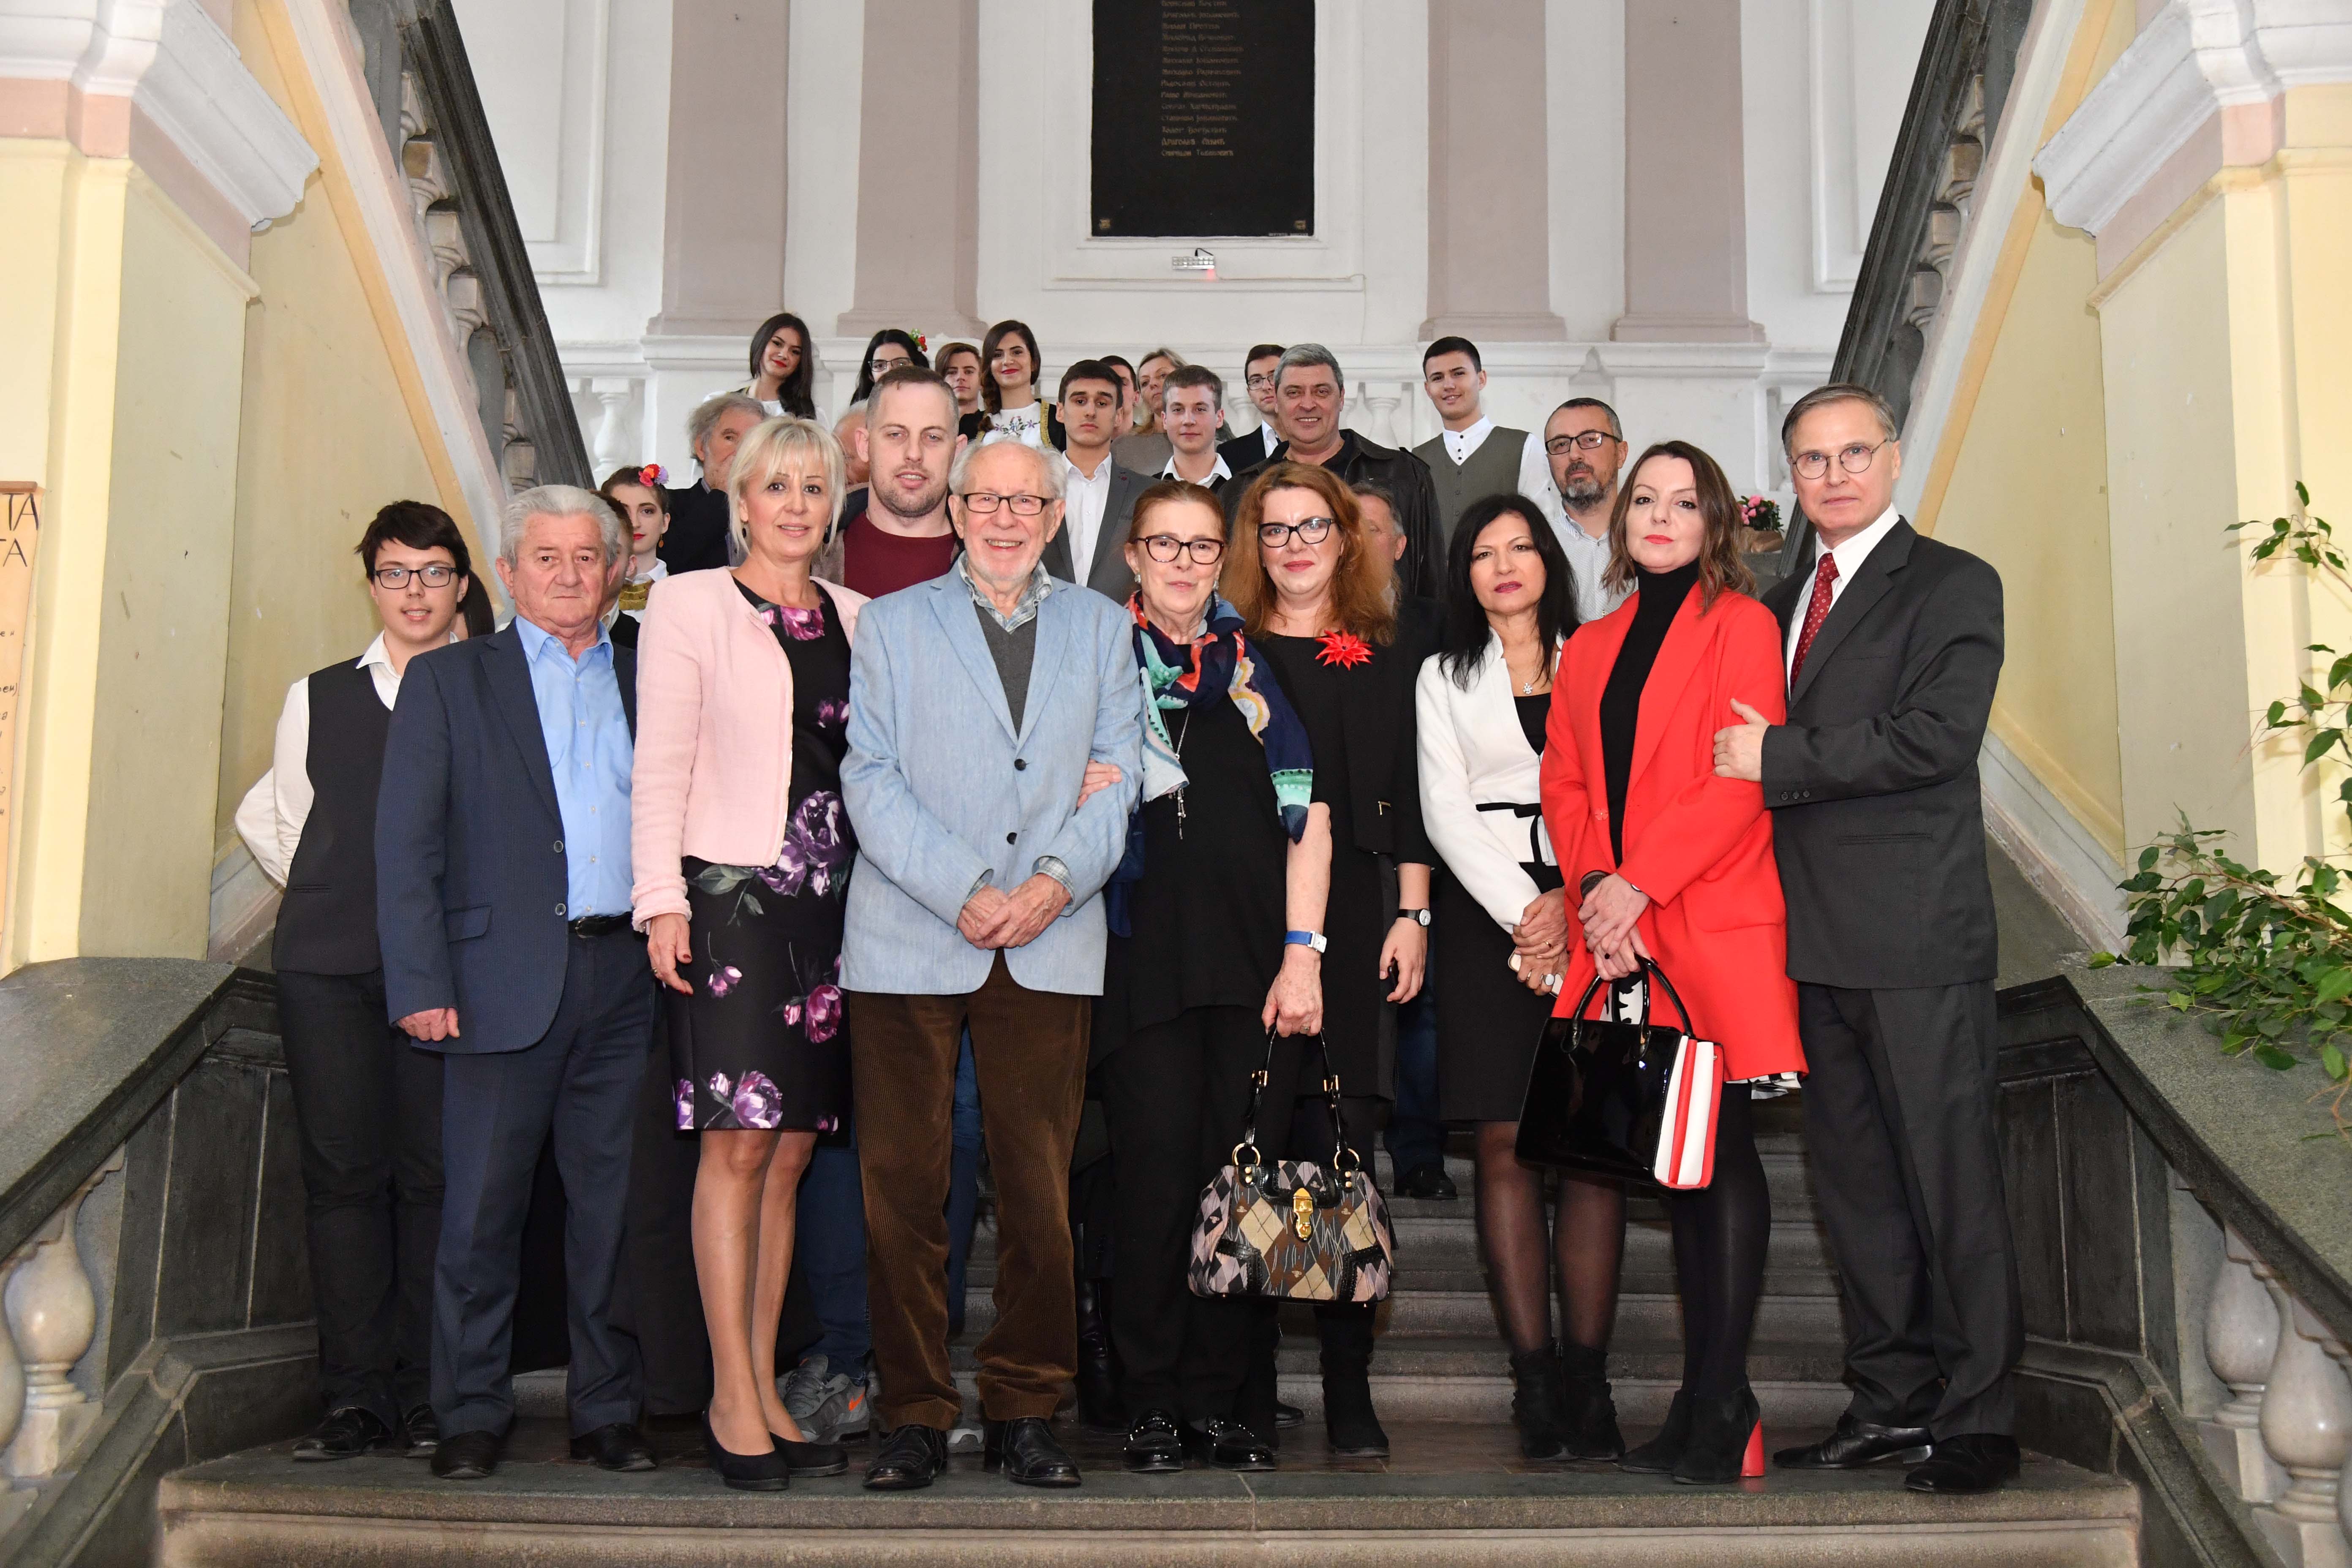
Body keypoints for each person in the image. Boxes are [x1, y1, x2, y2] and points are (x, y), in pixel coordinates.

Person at [1713, 384, 2017, 1496]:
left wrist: (1783, 757)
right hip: (1808, 945)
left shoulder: (1951, 582)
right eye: (1813, 459)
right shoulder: (1778, 601)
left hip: (1917, 936)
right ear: (1790, 476)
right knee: (1857, 1194)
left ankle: (1980, 1418)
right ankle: (1890, 1402)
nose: (1834, 475)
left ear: (1893, 458)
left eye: (1854, 453)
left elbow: (1936, 737)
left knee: (1952, 1185)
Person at [840, 438, 1142, 1492]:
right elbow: (869, 777)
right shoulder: (890, 624)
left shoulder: (1103, 627)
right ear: (956, 510)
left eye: (1028, 502)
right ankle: (913, 1411)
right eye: (988, 499)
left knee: (1038, 1193)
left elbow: (1118, 776)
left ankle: (1026, 1406)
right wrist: (963, 887)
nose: (1006, 518)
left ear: (1055, 518)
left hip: (1052, 935)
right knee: (901, 1192)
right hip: (909, 932)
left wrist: (1052, 884)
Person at [376, 485, 654, 1483]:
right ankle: (468, 1410)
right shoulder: (450, 681)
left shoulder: (652, 671)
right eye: (547, 557)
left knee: (613, 1211)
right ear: (505, 572)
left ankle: (608, 1407)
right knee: (481, 1212)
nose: (570, 575)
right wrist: (420, 979)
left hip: (630, 978)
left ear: (614, 569)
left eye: (587, 556)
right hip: (496, 979)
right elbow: (406, 844)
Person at [1541, 440, 1806, 1485]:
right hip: (1618, 934)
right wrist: (1596, 891)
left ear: (1714, 523)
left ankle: (1723, 1400)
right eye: (1644, 500)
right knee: (1677, 1168)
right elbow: (1565, 781)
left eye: (1682, 502)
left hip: (1708, 918)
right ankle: (1705, 1405)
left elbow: (1739, 777)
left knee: (1719, 1157)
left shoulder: (1743, 625)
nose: (1659, 516)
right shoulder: (1589, 644)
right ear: (1622, 522)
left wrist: (1639, 887)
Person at [631, 416, 867, 1490]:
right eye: (776, 485)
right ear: (740, 498)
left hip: (836, 912)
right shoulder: (689, 603)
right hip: (731, 903)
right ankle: (730, 1394)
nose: (795, 505)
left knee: (792, 1154)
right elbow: (660, 764)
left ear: (834, 505)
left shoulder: (861, 618)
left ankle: (765, 1384)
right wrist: (659, 900)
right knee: (735, 1148)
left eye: (813, 487)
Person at [1097, 480, 1330, 1473]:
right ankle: (1150, 1399)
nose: (1185, 562)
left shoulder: (1255, 670)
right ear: (1133, 556)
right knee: (1152, 1189)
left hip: (1256, 973)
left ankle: (1221, 1400)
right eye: (1166, 544)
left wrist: (1303, 954)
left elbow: (1310, 820)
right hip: (1139, 970)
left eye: (1202, 545)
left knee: (1243, 1193)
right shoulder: (1099, 663)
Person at [233, 502, 472, 1464]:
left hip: (446, 975)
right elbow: (278, 814)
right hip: (327, 969)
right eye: (395, 572)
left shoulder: (490, 690)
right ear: (371, 583)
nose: (414, 590)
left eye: (433, 571)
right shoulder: (319, 694)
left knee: (432, 1178)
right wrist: (334, 884)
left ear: (462, 583)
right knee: (341, 1181)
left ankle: (426, 1393)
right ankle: (355, 1396)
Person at [1223, 462, 1437, 1459]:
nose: (1295, 545)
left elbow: (1408, 792)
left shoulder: (1382, 657)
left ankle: (1349, 1386)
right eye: (1275, 529)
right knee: (1252, 1149)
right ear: (1253, 544)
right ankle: (1252, 1389)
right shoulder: (1227, 655)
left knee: (1338, 1148)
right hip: (1243, 922)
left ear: (1346, 538)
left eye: (1313, 526)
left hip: (1354, 922)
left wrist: (1413, 913)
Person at [1416, 493, 1630, 1462]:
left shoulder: (1600, 656)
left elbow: (1627, 789)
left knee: (1589, 1150)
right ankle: (1533, 1380)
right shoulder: (1442, 675)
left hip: (1599, 907)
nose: (1503, 566)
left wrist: (1573, 903)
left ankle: (1591, 1380)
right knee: (1504, 1141)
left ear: (1549, 560)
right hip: (1486, 915)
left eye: (1520, 547)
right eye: (1483, 553)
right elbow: (1445, 809)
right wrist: (1527, 911)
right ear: (1463, 574)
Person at [1353, 480, 1448, 1202]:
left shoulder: (1436, 625)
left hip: (1428, 839)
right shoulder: (1308, 622)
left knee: (1421, 1008)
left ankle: (1419, 1152)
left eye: (1372, 528)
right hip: (1347, 845)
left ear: (1400, 545)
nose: (1358, 541)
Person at [1229, 345, 1443, 600]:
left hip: (1387, 625)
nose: (1307, 404)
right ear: (1276, 401)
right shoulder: (1242, 489)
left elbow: (1431, 582)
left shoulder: (1403, 474)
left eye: (1321, 392)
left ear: (1341, 398)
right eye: (1294, 393)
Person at [817, 365, 968, 597]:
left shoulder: (989, 562)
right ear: (864, 445)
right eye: (896, 434)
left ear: (956, 452)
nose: (914, 454)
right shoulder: (813, 555)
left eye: (933, 437)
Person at [1412, 337, 1563, 547]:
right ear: (1428, 389)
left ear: (1481, 379)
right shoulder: (1415, 459)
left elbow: (1543, 529)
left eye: (1458, 374)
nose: (1449, 385)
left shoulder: (1523, 447)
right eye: (1438, 378)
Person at [1040, 359, 1152, 602]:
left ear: (1118, 416)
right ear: (1060, 411)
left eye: (1102, 403)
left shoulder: (1148, 494)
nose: (1091, 412)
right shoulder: (1031, 488)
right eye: (1080, 401)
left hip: (1124, 621)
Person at [1544, 398, 1633, 624]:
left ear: (1621, 453)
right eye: (1560, 445)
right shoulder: (1536, 544)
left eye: (1590, 440)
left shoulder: (1654, 536)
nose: (1574, 455)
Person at [666, 394, 767, 575]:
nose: (741, 451)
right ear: (701, 448)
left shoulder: (773, 510)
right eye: (730, 438)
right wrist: (722, 492)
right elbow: (669, 563)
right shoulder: (669, 504)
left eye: (752, 441)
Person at [959, 318, 1065, 450]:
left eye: (1017, 352)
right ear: (989, 367)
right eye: (998, 355)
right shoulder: (970, 425)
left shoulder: (1058, 420)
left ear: (1034, 362)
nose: (1007, 361)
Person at [599, 465, 669, 650]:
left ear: (665, 522)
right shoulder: (583, 591)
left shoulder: (686, 596)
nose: (635, 523)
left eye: (647, 511)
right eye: (622, 512)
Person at [1160, 365, 1231, 495]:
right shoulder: (1147, 491)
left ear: (1219, 418)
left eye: (1200, 409)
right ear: (1165, 420)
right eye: (1178, 410)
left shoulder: (1248, 489)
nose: (1188, 420)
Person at [1111, 347, 1183, 471]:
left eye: (1163, 375)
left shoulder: (1208, 442)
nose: (1153, 384)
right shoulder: (1123, 447)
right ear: (1141, 397)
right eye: (1145, 383)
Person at [1217, 343, 1286, 473]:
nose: (1266, 387)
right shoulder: (1231, 453)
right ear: (1249, 393)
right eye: (1256, 381)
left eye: (1274, 377)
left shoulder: (1317, 440)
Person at [738, 311, 818, 419]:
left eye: (795, 352)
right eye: (777, 344)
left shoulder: (810, 416)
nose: (784, 355)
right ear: (761, 342)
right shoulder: (722, 403)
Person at [847, 328, 929, 408]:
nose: (889, 371)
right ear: (870, 375)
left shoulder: (931, 407)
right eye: (880, 366)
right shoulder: (860, 414)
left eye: (901, 364)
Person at [936, 340, 984, 420]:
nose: (960, 377)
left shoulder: (994, 424)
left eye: (969, 372)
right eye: (952, 372)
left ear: (982, 380)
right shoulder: (929, 424)